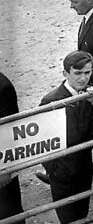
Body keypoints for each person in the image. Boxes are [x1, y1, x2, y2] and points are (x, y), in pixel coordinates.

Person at [40, 51, 93, 224]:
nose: (83, 78)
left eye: (87, 73)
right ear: (65, 73)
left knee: (82, 214)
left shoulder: (90, 95)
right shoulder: (51, 101)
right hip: (62, 173)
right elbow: (41, 141)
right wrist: (54, 170)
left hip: (84, 168)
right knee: (68, 218)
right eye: (78, 73)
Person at [0, 72, 24, 220]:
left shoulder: (2, 87)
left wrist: (4, 168)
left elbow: (10, 129)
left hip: (1, 161)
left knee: (7, 209)